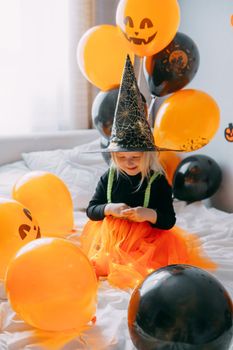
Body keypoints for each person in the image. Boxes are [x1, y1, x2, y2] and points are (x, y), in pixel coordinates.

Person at [80, 56, 216, 289]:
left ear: (149, 155)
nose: (129, 162)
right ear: (113, 157)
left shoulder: (158, 181)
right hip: (114, 237)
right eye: (122, 158)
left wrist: (148, 214)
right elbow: (92, 210)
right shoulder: (109, 178)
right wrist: (109, 208)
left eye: (136, 157)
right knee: (100, 264)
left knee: (154, 267)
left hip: (148, 239)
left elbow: (168, 220)